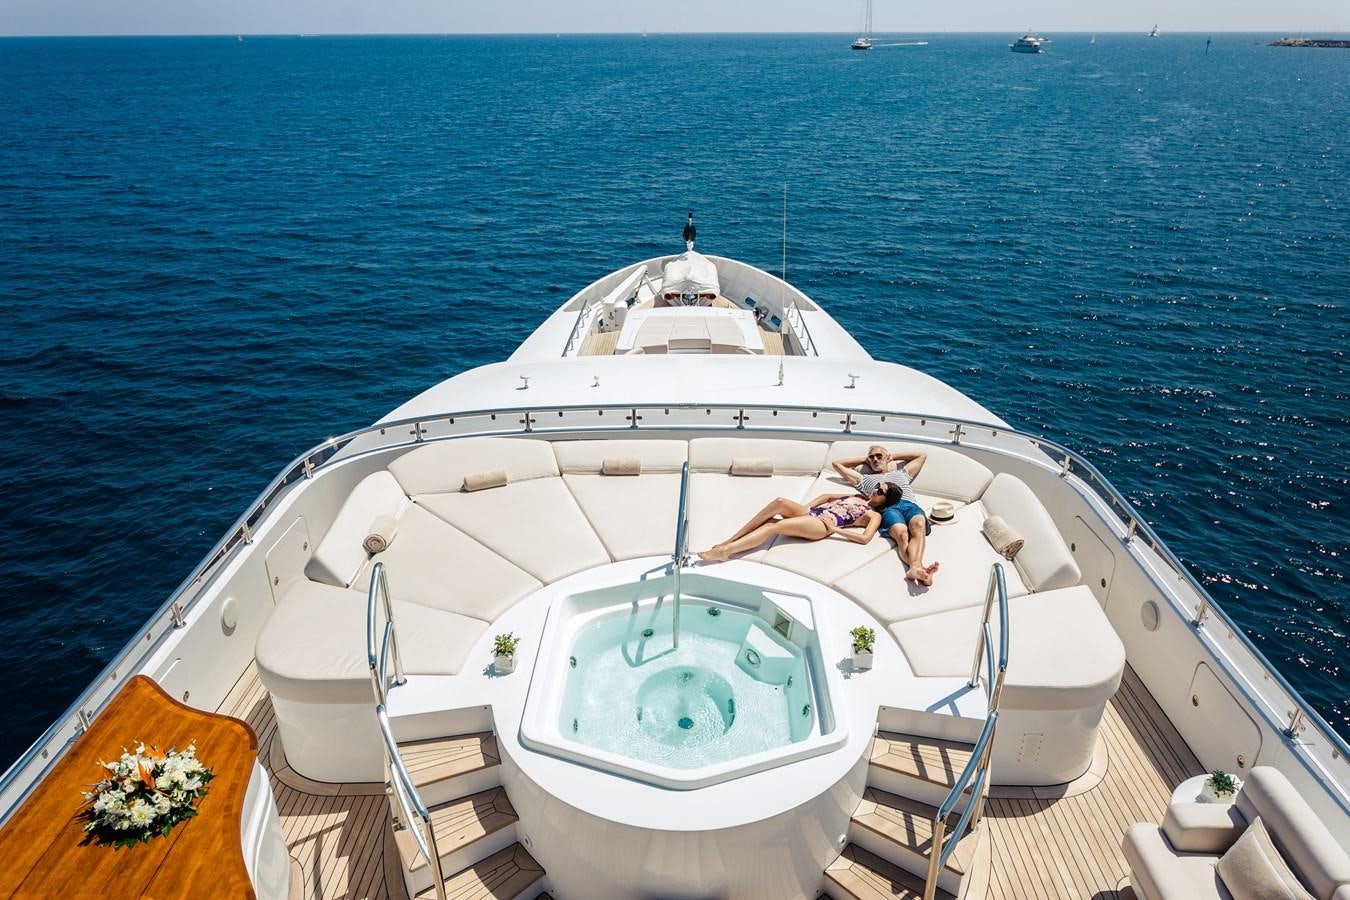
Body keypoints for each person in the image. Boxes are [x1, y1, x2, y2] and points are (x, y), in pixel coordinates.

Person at [697, 483, 903, 563]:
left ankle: (726, 552)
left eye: (881, 491)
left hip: (822, 525)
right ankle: (730, 540)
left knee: (772, 526)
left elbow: (865, 538)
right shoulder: (856, 494)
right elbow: (828, 495)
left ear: (886, 499)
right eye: (877, 486)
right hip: (812, 514)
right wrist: (808, 507)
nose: (876, 490)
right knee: (779, 502)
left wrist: (835, 529)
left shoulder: (873, 514)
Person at [833, 446, 939, 586]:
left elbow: (922, 455)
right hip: (888, 508)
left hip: (909, 505)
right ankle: (918, 568)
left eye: (879, 456)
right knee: (901, 535)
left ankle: (916, 568)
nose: (875, 459)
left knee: (918, 525)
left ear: (886, 457)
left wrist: (892, 456)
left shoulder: (901, 473)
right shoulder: (864, 479)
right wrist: (865, 460)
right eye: (872, 457)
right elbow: (836, 464)